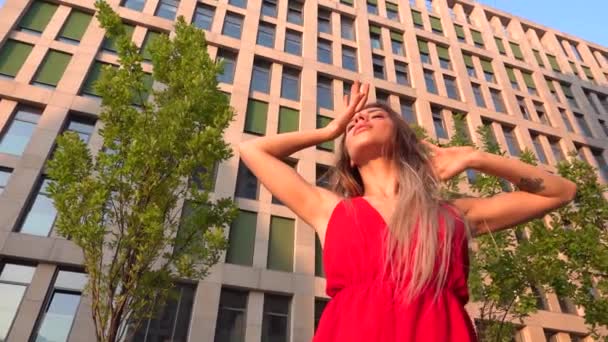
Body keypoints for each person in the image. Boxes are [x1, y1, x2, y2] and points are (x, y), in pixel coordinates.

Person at [238, 81, 576, 341]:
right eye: (354, 120)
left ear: (403, 140)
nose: (361, 119)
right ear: (350, 158)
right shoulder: (330, 210)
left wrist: (477, 157)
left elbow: (561, 192)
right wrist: (329, 130)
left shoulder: (453, 212)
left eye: (376, 115)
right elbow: (253, 150)